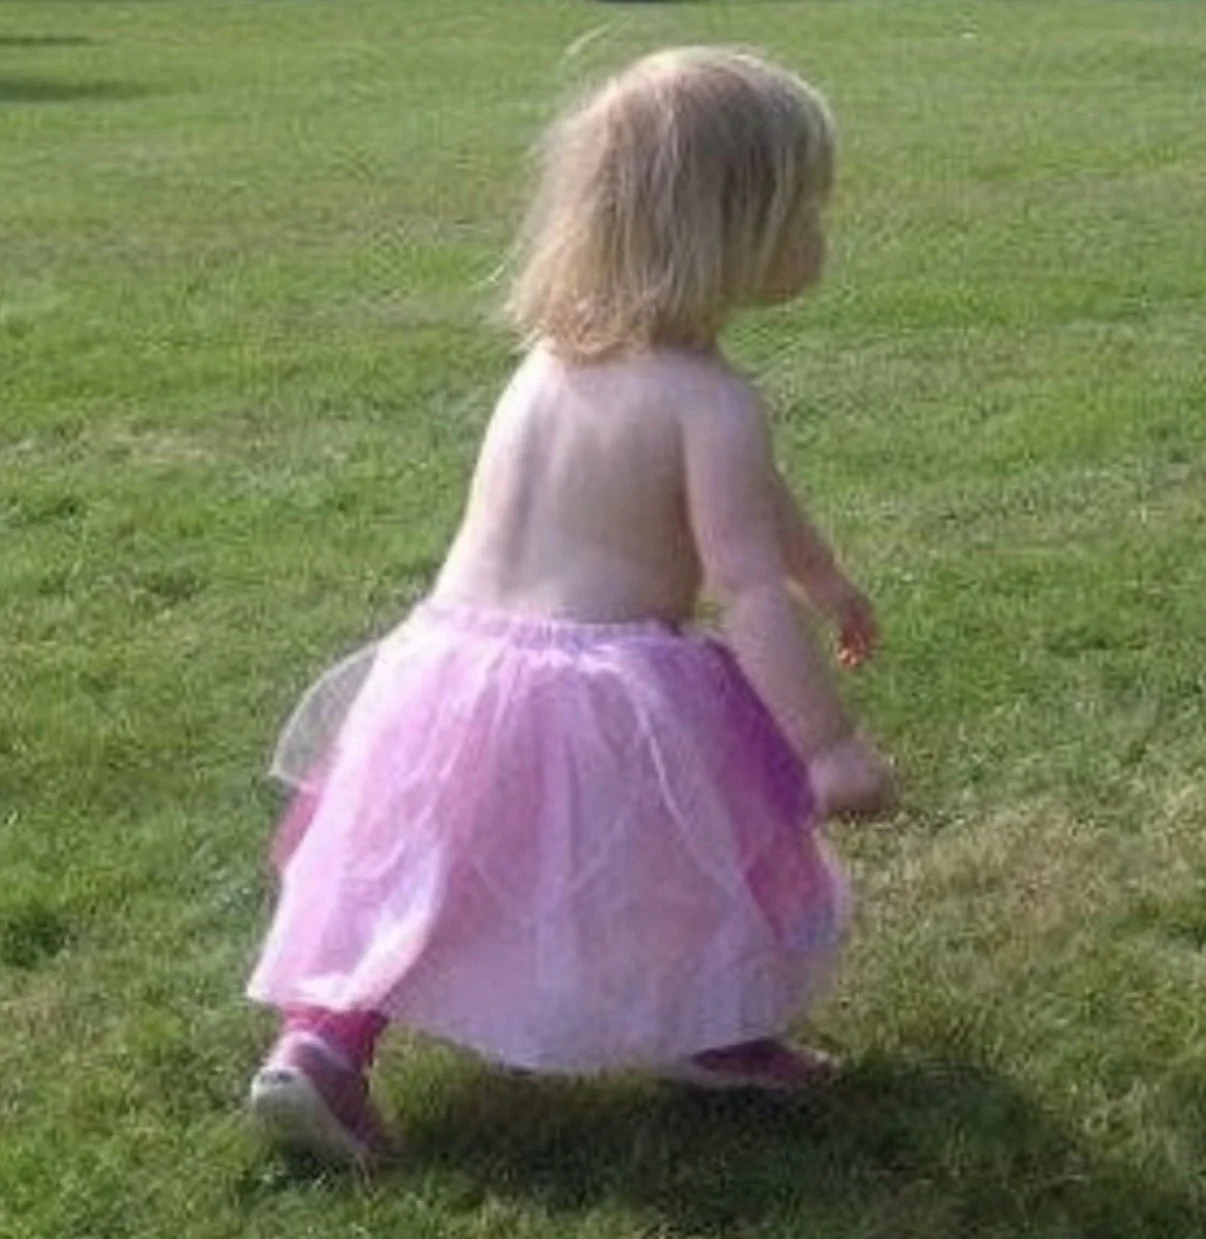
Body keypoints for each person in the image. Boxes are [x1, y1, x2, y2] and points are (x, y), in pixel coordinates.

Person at [245, 45, 896, 1166]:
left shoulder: (551, 361)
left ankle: (320, 1047)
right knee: (691, 857)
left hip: (442, 671)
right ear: (731, 228)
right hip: (607, 688)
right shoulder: (711, 400)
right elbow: (740, 586)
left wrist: (824, 571)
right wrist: (827, 745)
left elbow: (754, 504)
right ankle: (720, 1030)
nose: (821, 230)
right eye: (807, 207)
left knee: (420, 870)